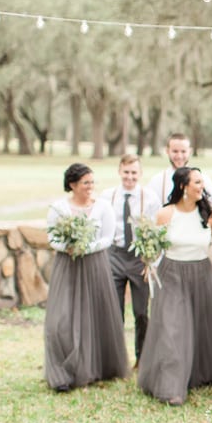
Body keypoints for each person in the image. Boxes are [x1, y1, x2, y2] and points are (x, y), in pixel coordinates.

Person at [138, 167, 212, 406]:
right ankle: (171, 387)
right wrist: (148, 261)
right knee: (172, 329)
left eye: (202, 183)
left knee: (204, 325)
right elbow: (154, 247)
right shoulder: (165, 214)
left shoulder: (210, 213)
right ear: (183, 186)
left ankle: (203, 374)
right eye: (197, 183)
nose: (201, 187)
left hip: (202, 272)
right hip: (171, 274)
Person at [44, 163, 130, 392]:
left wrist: (85, 247)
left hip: (95, 265)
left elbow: (107, 237)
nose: (90, 187)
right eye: (86, 183)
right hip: (67, 266)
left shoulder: (102, 207)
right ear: (72, 185)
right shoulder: (59, 208)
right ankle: (61, 371)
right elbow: (52, 237)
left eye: (92, 182)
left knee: (94, 315)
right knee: (59, 321)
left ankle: (98, 368)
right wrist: (68, 247)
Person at [99, 154, 162, 364]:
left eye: (134, 173)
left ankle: (141, 358)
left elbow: (156, 231)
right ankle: (116, 358)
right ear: (119, 171)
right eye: (126, 172)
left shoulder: (150, 198)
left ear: (140, 174)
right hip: (114, 256)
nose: (130, 177)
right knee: (114, 312)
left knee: (141, 312)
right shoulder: (107, 197)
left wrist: (151, 261)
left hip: (139, 259)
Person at [146, 133, 212, 203]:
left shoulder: (203, 179)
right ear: (167, 151)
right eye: (175, 151)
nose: (179, 156)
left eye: (183, 151)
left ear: (190, 151)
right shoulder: (157, 181)